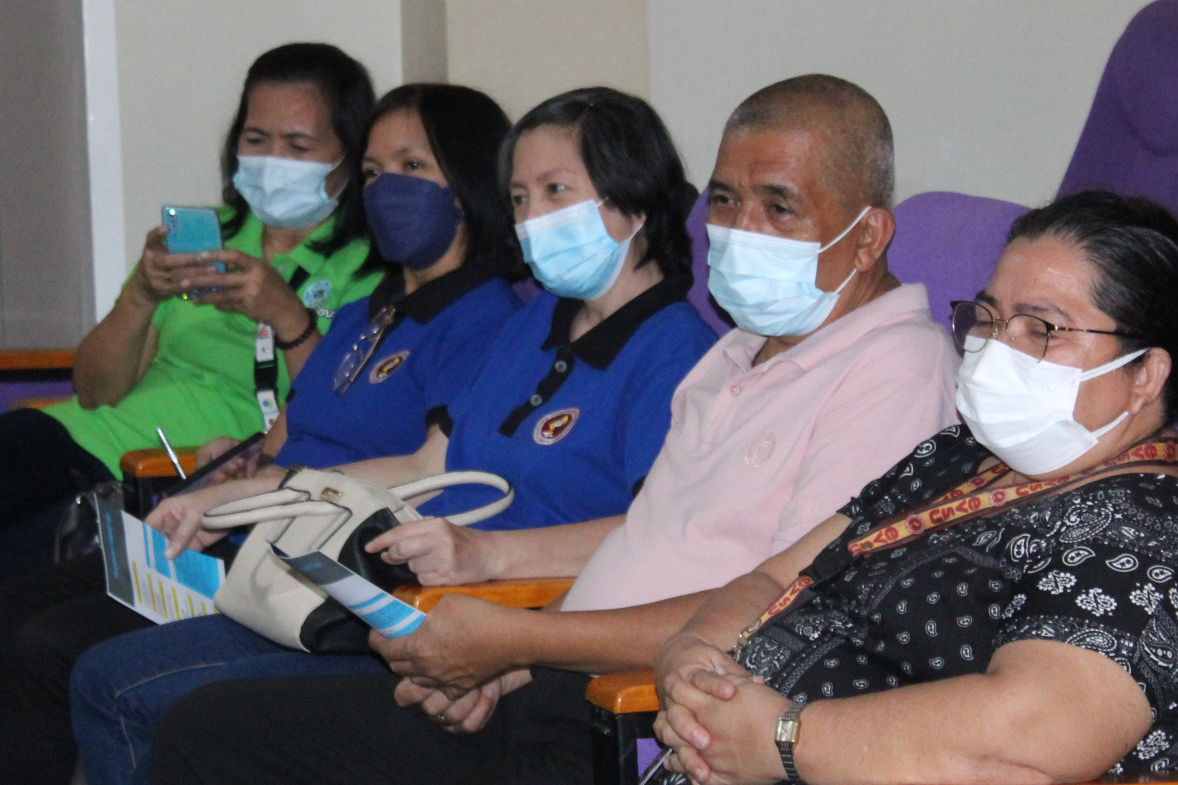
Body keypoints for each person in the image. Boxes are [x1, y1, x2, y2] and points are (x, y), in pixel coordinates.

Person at [128, 75, 961, 785]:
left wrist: (520, 638)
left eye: (779, 207)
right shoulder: (740, 352)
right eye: (727, 201)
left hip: (631, 715)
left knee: (211, 735)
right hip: (552, 672)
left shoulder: (896, 368)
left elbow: (786, 613)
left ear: (867, 236)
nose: (741, 231)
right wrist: (508, 665)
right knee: (211, 724)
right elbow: (640, 546)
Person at [70, 85, 717, 785]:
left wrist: (488, 564)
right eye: (520, 198)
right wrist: (246, 494)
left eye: (556, 191)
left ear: (634, 199)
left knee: (182, 716)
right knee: (117, 676)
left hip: (517, 633)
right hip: (411, 607)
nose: (533, 218)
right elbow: (424, 465)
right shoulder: (538, 321)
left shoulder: (677, 352)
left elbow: (654, 538)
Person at [0, 81, 521, 785]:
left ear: (468, 184)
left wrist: (261, 489)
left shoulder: (486, 318)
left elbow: (433, 469)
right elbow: (292, 430)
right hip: (244, 540)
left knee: (60, 651)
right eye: (372, 173)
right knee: (18, 610)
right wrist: (240, 464)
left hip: (313, 569)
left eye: (412, 168)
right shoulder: (370, 310)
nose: (385, 189)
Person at [650, 190, 1178, 784]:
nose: (997, 348)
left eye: (1041, 328)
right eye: (988, 318)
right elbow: (778, 577)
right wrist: (691, 659)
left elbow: (1026, 737)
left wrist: (780, 740)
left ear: (1145, 374)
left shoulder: (1154, 534)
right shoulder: (957, 454)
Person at [0, 42, 382, 577]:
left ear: (352, 155)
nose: (272, 161)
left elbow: (343, 420)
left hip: (157, 478)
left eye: (298, 146)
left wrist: (285, 313)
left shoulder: (369, 270)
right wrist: (141, 294)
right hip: (71, 442)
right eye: (256, 140)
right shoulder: (209, 238)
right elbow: (94, 391)